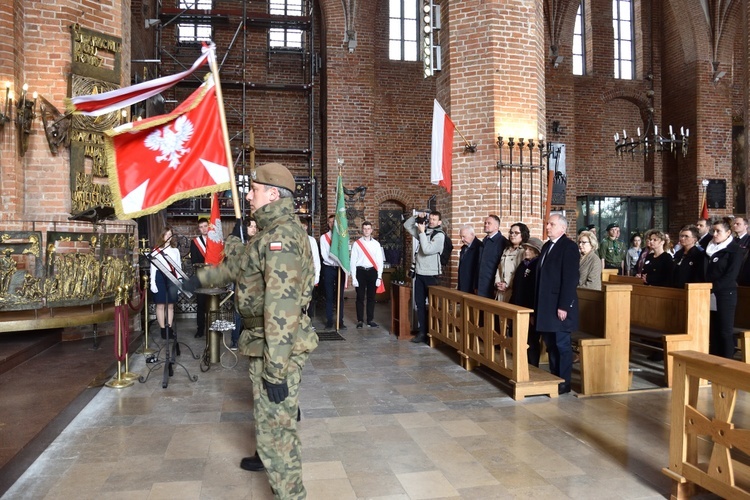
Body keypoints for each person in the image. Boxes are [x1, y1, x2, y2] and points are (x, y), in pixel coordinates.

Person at [184, 162, 317, 497]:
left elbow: (282, 310)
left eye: (254, 189)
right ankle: (263, 453)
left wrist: (276, 370)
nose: (248, 193)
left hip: (276, 345)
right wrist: (194, 279)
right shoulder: (269, 236)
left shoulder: (281, 240)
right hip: (262, 341)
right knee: (268, 415)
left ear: (273, 195)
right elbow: (237, 267)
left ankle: (292, 494)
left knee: (278, 433)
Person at [535, 214, 579, 395]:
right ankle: (554, 376)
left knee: (562, 345)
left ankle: (564, 382)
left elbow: (570, 279)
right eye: (547, 224)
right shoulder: (547, 246)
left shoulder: (568, 247)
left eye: (551, 224)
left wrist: (564, 306)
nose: (547, 227)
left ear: (562, 228)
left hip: (559, 306)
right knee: (550, 344)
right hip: (545, 305)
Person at [403, 210, 445, 344]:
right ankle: (422, 332)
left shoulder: (439, 236)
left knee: (433, 306)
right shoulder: (425, 231)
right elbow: (407, 225)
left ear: (439, 222)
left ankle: (433, 333)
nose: (431, 221)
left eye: (434, 220)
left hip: (431, 275)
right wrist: (417, 217)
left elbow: (427, 250)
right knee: (420, 304)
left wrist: (421, 232)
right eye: (430, 219)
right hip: (420, 273)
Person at [705, 217, 743, 359]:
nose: (714, 234)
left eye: (718, 231)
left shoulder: (734, 250)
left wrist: (713, 287)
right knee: (713, 330)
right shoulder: (708, 248)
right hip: (709, 293)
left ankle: (727, 362)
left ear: (728, 233)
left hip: (725, 294)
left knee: (724, 330)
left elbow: (731, 275)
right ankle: (714, 360)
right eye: (713, 231)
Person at [509, 237, 543, 366]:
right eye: (526, 249)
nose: (526, 252)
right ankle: (521, 365)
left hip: (530, 309)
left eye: (530, 249)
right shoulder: (523, 265)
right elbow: (517, 287)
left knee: (532, 341)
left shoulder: (537, 265)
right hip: (518, 306)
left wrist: (533, 314)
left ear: (536, 251)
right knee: (520, 339)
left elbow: (535, 291)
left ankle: (533, 367)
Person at [229, 218, 259, 351]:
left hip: (255, 283)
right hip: (240, 283)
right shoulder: (238, 243)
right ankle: (235, 340)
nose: (253, 229)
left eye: (255, 226)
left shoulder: (258, 243)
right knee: (238, 313)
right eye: (250, 226)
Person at [150, 225, 182, 343]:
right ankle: (163, 329)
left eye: (170, 235)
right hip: (159, 277)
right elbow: (153, 267)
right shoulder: (156, 250)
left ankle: (169, 327)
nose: (168, 237)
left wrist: (179, 282)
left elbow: (178, 267)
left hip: (172, 277)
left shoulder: (176, 250)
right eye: (166, 234)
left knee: (170, 305)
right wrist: (152, 282)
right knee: (160, 305)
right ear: (162, 236)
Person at [349, 221, 384, 329]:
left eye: (368, 229)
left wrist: (379, 276)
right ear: (362, 230)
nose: (366, 231)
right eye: (365, 229)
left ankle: (370, 320)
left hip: (372, 271)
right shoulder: (357, 243)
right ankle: (360, 320)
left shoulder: (376, 244)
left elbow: (379, 261)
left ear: (371, 230)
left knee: (371, 297)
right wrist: (353, 277)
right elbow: (353, 261)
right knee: (360, 297)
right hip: (360, 271)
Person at [320, 214, 346, 330]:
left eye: (334, 222)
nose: (332, 224)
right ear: (328, 224)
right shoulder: (324, 237)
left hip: (340, 269)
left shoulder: (342, 237)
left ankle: (340, 321)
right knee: (329, 295)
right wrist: (336, 262)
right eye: (330, 222)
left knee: (340, 296)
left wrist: (341, 263)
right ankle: (329, 321)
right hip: (329, 268)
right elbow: (325, 256)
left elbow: (345, 253)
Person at [494, 223, 529, 302]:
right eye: (511, 232)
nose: (512, 235)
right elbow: (499, 268)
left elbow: (519, 272)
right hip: (500, 290)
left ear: (523, 234)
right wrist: (497, 283)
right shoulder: (506, 250)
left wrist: (507, 284)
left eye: (516, 233)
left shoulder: (523, 251)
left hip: (513, 290)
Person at [476, 215, 507, 298]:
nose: (486, 225)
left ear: (496, 226)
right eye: (485, 223)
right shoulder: (485, 241)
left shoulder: (502, 242)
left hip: (492, 285)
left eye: (489, 223)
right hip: (481, 284)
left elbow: (502, 265)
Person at [190, 218, 209, 338]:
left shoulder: (215, 240)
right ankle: (200, 329)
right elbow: (194, 261)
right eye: (201, 227)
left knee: (214, 304)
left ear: (209, 226)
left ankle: (214, 328)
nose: (203, 229)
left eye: (205, 226)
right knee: (201, 304)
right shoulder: (195, 242)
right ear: (199, 228)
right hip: (201, 276)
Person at [457, 225, 482, 293]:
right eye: (461, 237)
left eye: (464, 236)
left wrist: (476, 286)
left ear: (472, 234)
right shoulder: (464, 248)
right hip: (463, 285)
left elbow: (479, 269)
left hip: (472, 287)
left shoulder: (480, 248)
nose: (462, 239)